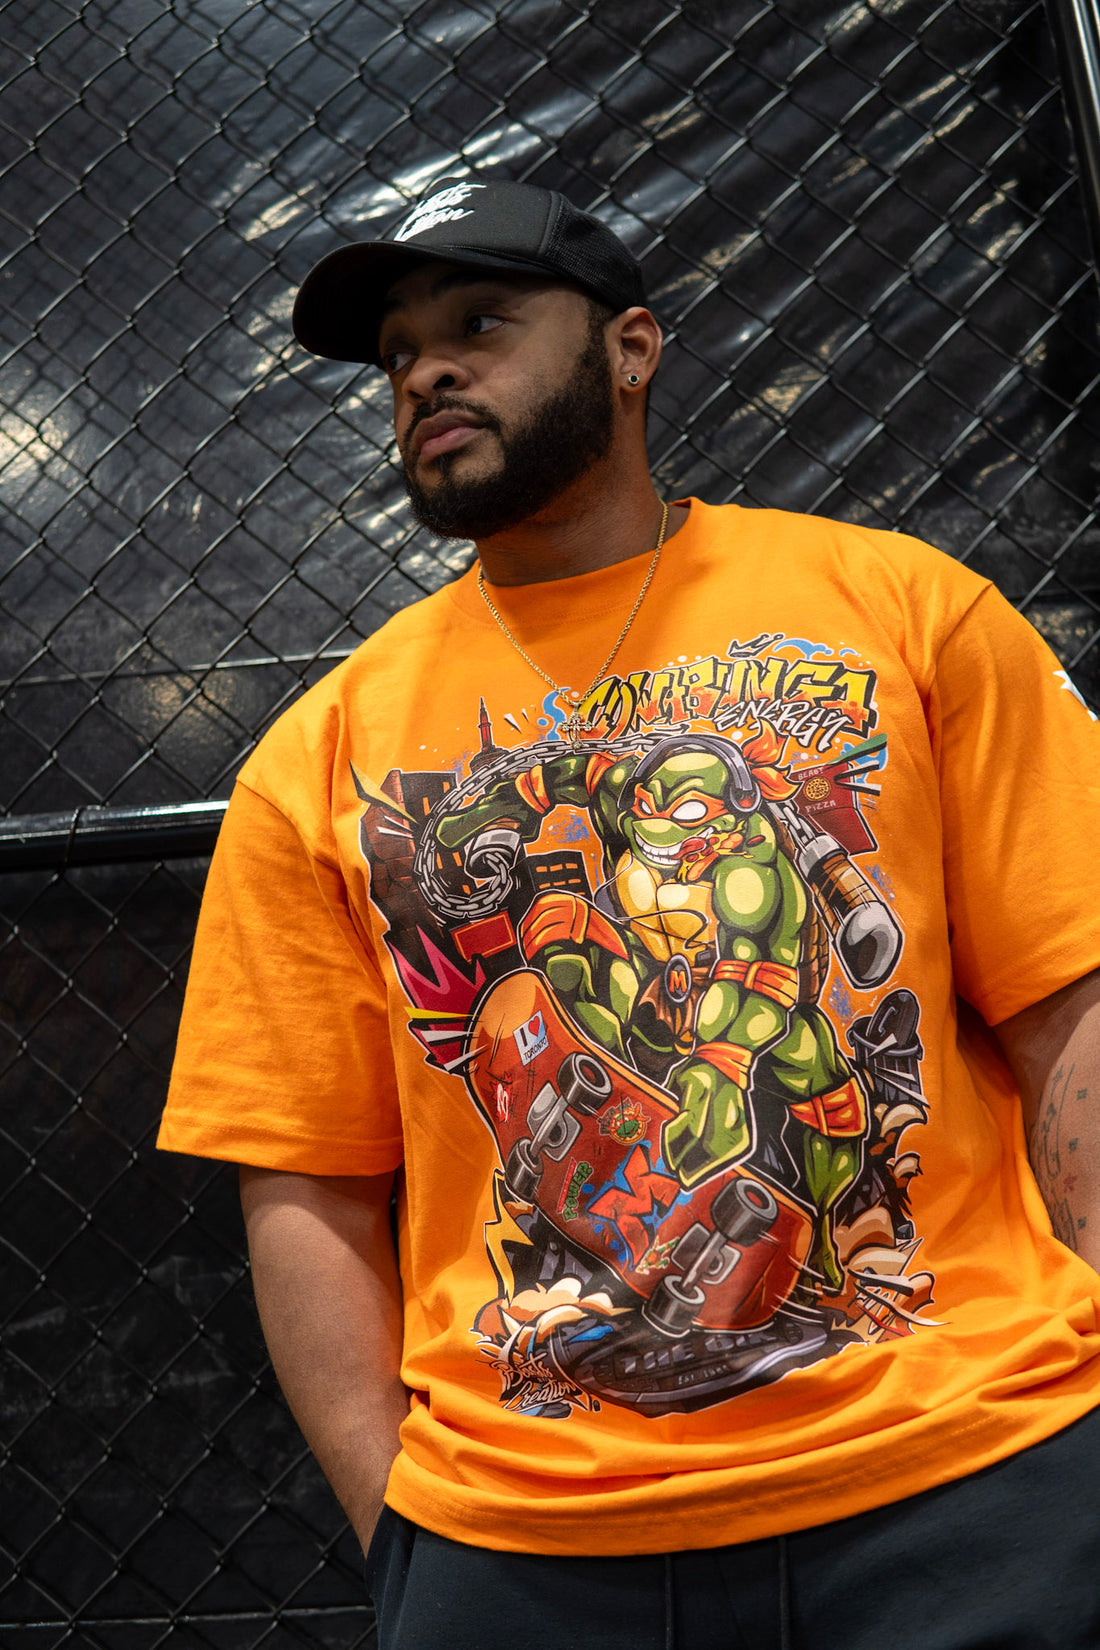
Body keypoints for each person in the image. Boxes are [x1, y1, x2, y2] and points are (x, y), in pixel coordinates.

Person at [158, 175, 1100, 1648]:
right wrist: (402, 1539)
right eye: (398, 352)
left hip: (964, 1477)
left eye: (479, 323)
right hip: (531, 1546)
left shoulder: (899, 607)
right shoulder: (324, 749)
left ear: (631, 350)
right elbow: (304, 1181)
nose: (425, 373)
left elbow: (1071, 1005)